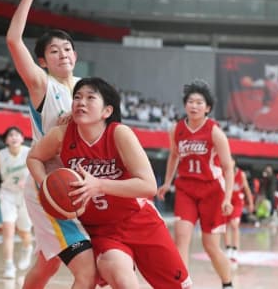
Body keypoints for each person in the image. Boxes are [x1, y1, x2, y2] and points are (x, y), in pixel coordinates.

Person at [27, 77, 192, 289]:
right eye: (77, 97)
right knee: (118, 273)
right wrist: (47, 184)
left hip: (139, 221)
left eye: (90, 98)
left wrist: (99, 185)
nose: (81, 102)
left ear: (106, 111)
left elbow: (148, 185)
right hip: (103, 232)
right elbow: (34, 157)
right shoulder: (61, 135)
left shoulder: (119, 133)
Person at [5, 0, 96, 288]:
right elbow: (14, 41)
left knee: (47, 266)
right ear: (42, 61)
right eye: (54, 51)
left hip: (77, 182)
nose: (64, 54)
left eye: (68, 48)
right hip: (49, 182)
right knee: (87, 271)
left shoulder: (88, 88)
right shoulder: (43, 85)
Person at [156, 79, 235, 289]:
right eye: (190, 101)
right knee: (181, 241)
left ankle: (227, 283)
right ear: (185, 105)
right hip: (186, 190)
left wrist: (227, 198)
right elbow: (173, 156)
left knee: (210, 247)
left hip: (212, 191)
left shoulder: (215, 132)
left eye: (199, 102)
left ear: (207, 108)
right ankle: (183, 285)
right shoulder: (176, 130)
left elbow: (228, 167)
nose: (194, 106)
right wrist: (166, 183)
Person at [0, 126, 34, 278]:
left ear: (22, 138)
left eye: (17, 135)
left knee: (24, 232)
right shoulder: (0, 155)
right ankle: (9, 265)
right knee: (8, 229)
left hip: (25, 196)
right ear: (6, 140)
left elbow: (39, 171)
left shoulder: (29, 152)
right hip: (7, 195)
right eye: (10, 135)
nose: (14, 137)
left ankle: (27, 248)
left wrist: (28, 182)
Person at [224, 160, 254, 270]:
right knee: (225, 225)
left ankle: (235, 250)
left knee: (234, 224)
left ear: (234, 162)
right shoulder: (223, 172)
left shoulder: (241, 174)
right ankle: (228, 249)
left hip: (237, 202)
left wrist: (250, 203)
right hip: (226, 200)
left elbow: (246, 189)